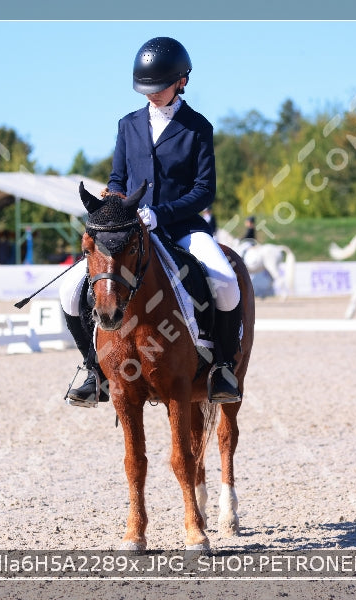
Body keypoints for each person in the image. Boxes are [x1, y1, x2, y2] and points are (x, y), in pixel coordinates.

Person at [59, 36, 243, 407]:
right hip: (130, 231)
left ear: (181, 81)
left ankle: (222, 366)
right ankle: (93, 370)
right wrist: (115, 205)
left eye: (159, 87)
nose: (152, 95)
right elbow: (117, 178)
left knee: (225, 283)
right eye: (147, 88)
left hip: (182, 228)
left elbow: (204, 190)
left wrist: (162, 213)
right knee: (68, 290)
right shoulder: (128, 125)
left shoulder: (197, 128)